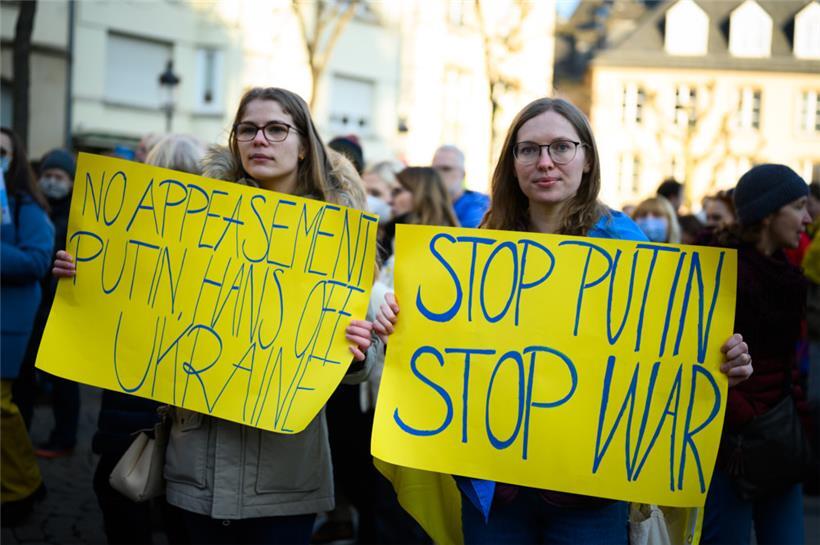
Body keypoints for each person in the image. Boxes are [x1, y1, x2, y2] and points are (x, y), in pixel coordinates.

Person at [375, 98, 753, 544]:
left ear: (587, 157)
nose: (545, 162)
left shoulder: (628, 243)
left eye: (561, 147)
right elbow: (447, 345)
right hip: (495, 487)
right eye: (529, 149)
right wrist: (398, 319)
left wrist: (720, 358)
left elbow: (665, 352)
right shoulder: (478, 245)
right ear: (512, 162)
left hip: (587, 493)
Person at [54, 88, 378, 545]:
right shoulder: (196, 220)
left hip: (283, 480)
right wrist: (87, 277)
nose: (260, 140)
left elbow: (362, 369)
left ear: (304, 143)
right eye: (247, 129)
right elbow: (147, 307)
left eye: (276, 129)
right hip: (194, 468)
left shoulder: (339, 234)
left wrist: (360, 349)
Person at [701, 164, 811, 545]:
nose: (808, 218)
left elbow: (788, 367)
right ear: (768, 213)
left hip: (777, 444)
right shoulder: (718, 274)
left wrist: (798, 428)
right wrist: (745, 419)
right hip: (729, 449)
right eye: (799, 206)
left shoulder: (789, 280)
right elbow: (700, 364)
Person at [12, 149, 82, 458]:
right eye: (49, 176)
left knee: (63, 378)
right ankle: (20, 435)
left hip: (62, 310)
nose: (53, 182)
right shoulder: (33, 211)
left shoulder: (78, 217)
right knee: (25, 373)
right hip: (33, 309)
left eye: (60, 178)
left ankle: (64, 437)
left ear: (70, 182)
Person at [0, 127, 53, 525]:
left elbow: (37, 262)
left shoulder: (25, 207)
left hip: (8, 324)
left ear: (14, 159)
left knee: (2, 408)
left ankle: (24, 484)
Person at [432, 145, 489, 228]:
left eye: (446, 169)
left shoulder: (479, 206)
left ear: (463, 174)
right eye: (434, 170)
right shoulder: (422, 202)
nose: (438, 174)